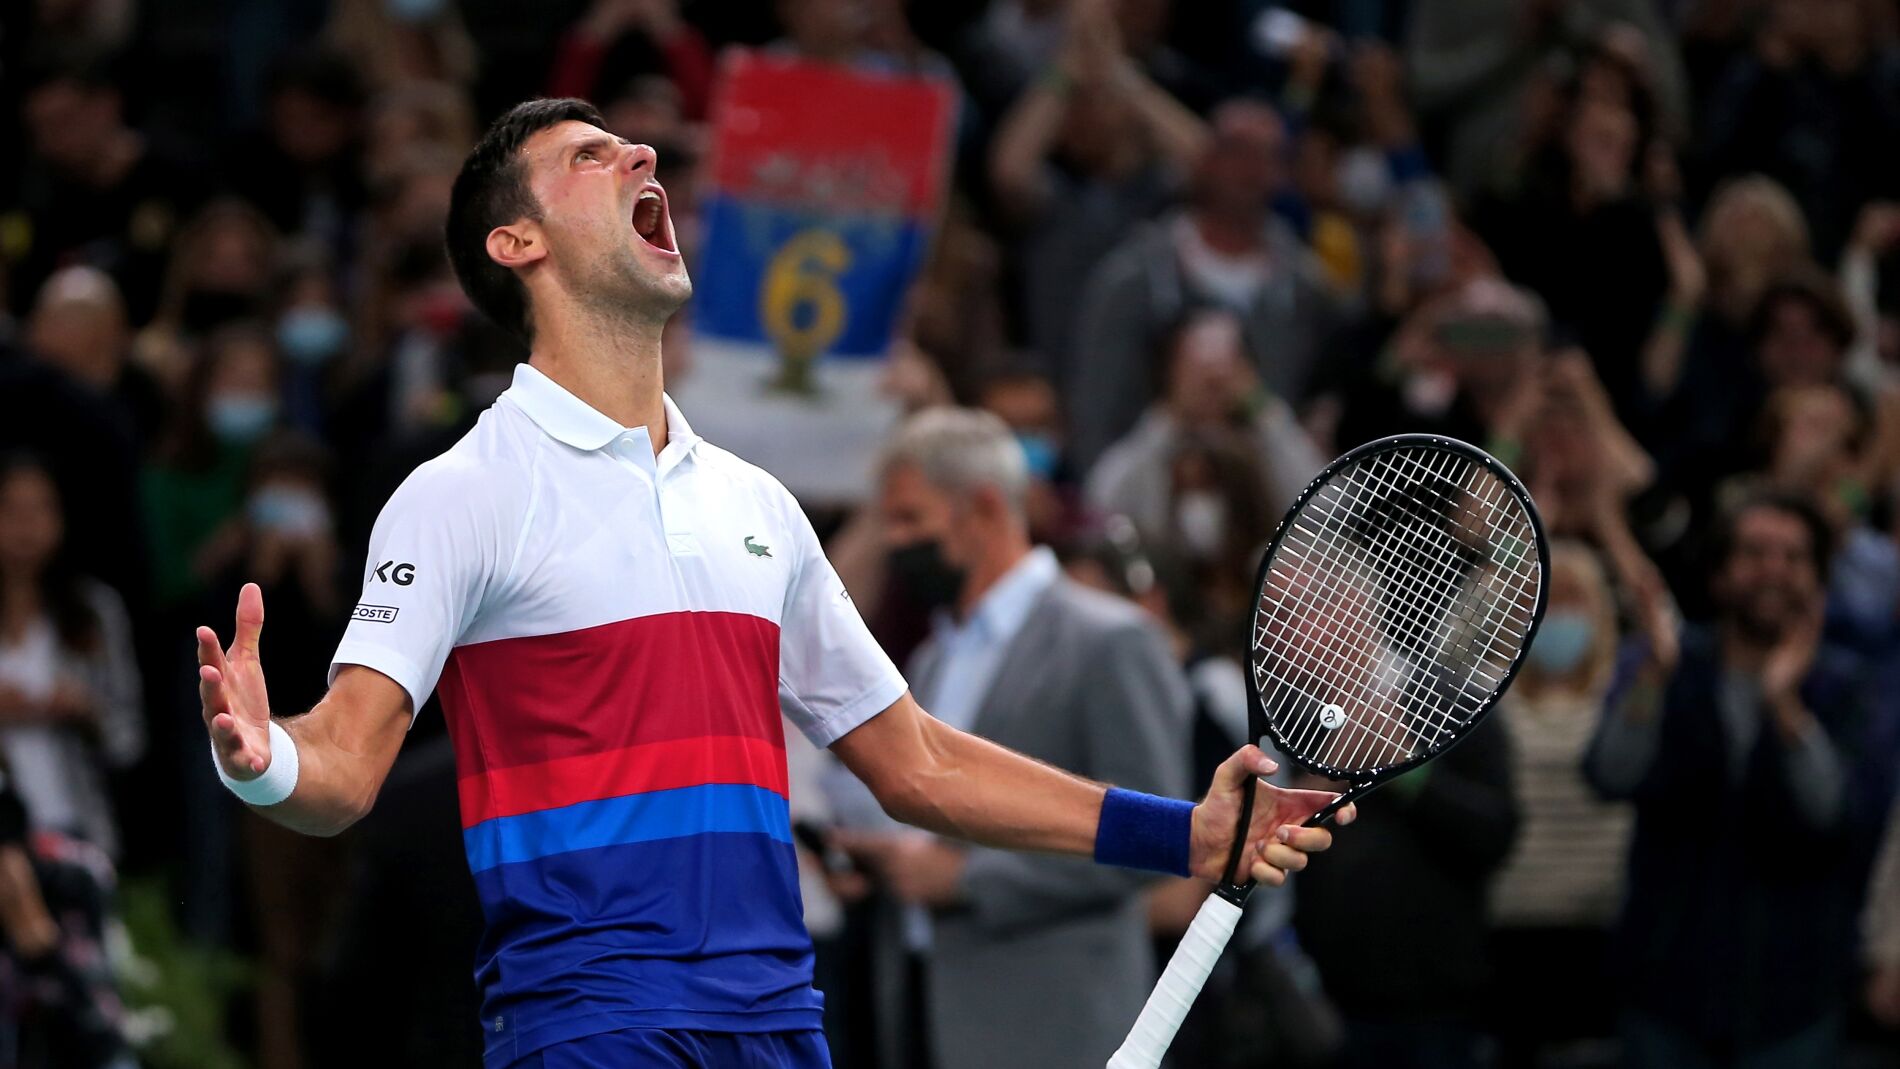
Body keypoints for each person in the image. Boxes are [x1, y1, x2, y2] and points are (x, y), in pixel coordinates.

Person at [192, 99, 1354, 1069]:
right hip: (594, 1023)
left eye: (631, 146)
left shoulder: (756, 504)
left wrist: (1182, 835)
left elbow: (915, 761)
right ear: (516, 243)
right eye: (590, 156)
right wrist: (265, 758)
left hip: (778, 1022)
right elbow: (345, 767)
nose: (641, 156)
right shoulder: (460, 494)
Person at [841, 407, 1193, 1069]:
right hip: (925, 1005)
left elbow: (1156, 836)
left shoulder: (1111, 641)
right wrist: (884, 862)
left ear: (982, 508)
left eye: (910, 519)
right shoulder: (933, 657)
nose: (894, 542)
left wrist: (967, 879)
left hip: (1057, 1023)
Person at [1586, 492, 1869, 1067]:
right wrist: (1652, 678)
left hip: (1793, 1001)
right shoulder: (1669, 662)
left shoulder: (1846, 682)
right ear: (1718, 573)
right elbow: (1610, 774)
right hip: (1664, 992)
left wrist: (1783, 704)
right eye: (1755, 553)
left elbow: (1835, 815)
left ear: (1818, 579)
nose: (1774, 571)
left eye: (1793, 557)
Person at [1066, 99, 1348, 471]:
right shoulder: (1130, 281)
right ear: (1204, 161)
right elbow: (1094, 419)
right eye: (1236, 151)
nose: (1250, 169)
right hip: (1150, 490)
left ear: (1283, 172)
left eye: (1268, 156)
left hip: (1274, 494)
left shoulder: (1308, 289)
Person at [0, 455, 144, 860]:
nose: (25, 526)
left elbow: (130, 740)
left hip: (78, 831)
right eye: (11, 509)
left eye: (39, 508)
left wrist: (86, 711)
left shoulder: (94, 612)